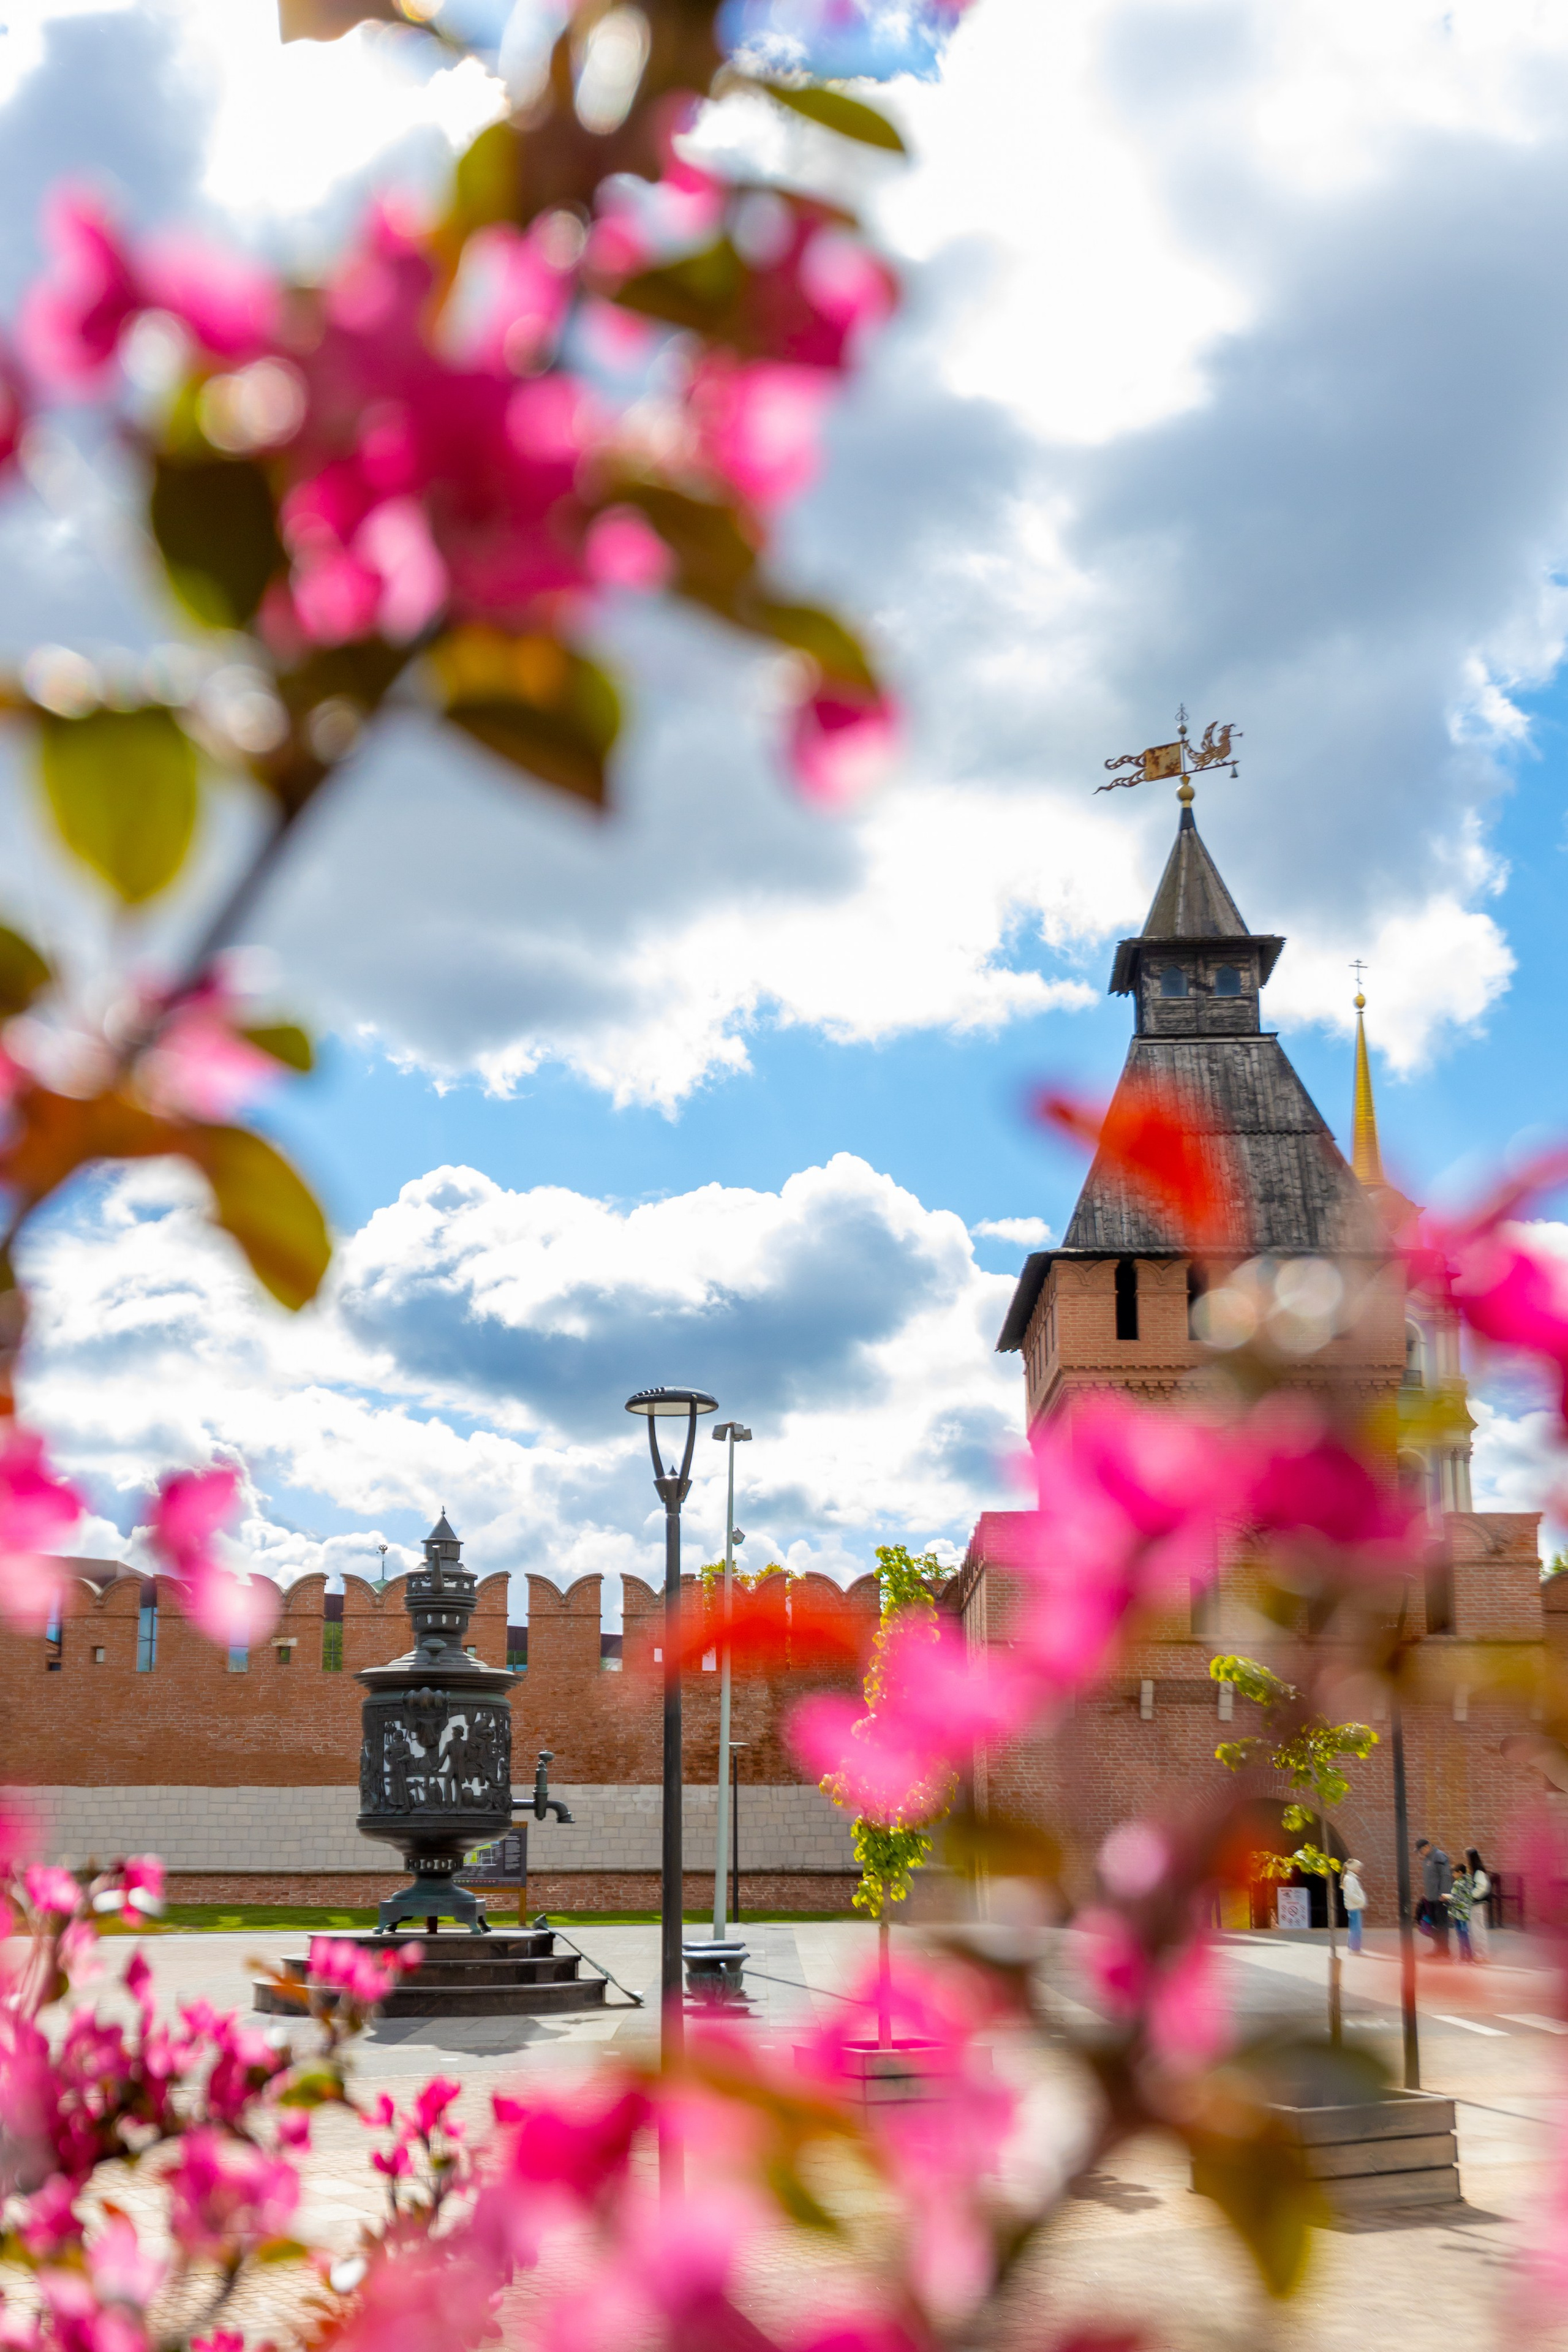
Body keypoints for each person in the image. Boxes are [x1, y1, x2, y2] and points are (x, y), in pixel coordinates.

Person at [1415, 1839, 1452, 1956]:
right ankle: (1439, 1949)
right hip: (1431, 1898)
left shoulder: (1439, 1856)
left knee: (1442, 1924)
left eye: (1421, 1851)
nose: (1421, 1853)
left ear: (1427, 1847)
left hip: (1440, 1898)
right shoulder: (1427, 1859)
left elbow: (1446, 1875)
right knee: (1435, 1925)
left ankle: (1445, 1950)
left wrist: (1444, 1894)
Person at [1465, 1847, 1491, 1962]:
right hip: (1475, 1904)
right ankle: (1481, 1954)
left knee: (1477, 1930)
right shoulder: (1477, 1871)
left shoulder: (1478, 1871)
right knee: (1477, 1930)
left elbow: (1482, 1887)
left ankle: (1481, 1955)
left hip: (1476, 1905)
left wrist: (1470, 1897)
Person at [1447, 1861, 1474, 1961]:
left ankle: (1463, 1958)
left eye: (1454, 1873)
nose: (1453, 1875)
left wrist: (1447, 1897)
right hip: (1465, 1912)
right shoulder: (1469, 1883)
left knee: (1461, 1936)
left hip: (1459, 1912)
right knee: (1466, 1935)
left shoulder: (1458, 1884)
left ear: (1460, 1873)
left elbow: (1456, 1899)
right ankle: (1469, 1957)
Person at [1341, 1858, 1368, 1954]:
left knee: (1354, 1928)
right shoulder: (1351, 1879)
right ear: (1353, 1868)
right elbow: (1351, 1894)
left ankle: (1352, 1948)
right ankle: (1355, 1949)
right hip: (1354, 1906)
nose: (1359, 1869)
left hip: (1354, 1906)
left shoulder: (1350, 1878)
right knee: (1356, 1929)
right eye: (1358, 1867)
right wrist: (1360, 1901)